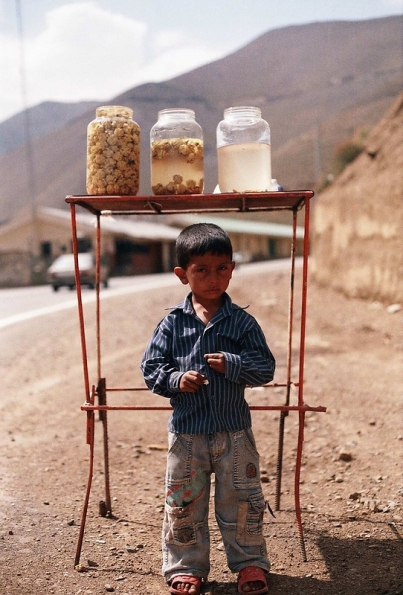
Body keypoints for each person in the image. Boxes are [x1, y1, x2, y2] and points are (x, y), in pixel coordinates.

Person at [141, 223, 275, 595]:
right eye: (201, 270)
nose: (213, 278)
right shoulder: (171, 324)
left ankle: (249, 564)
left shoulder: (242, 322)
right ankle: (187, 566)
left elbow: (265, 367)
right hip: (187, 436)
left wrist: (232, 363)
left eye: (221, 269)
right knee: (184, 502)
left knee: (243, 500)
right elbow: (151, 369)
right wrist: (176, 380)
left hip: (234, 434)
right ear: (182, 275)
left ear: (231, 269)